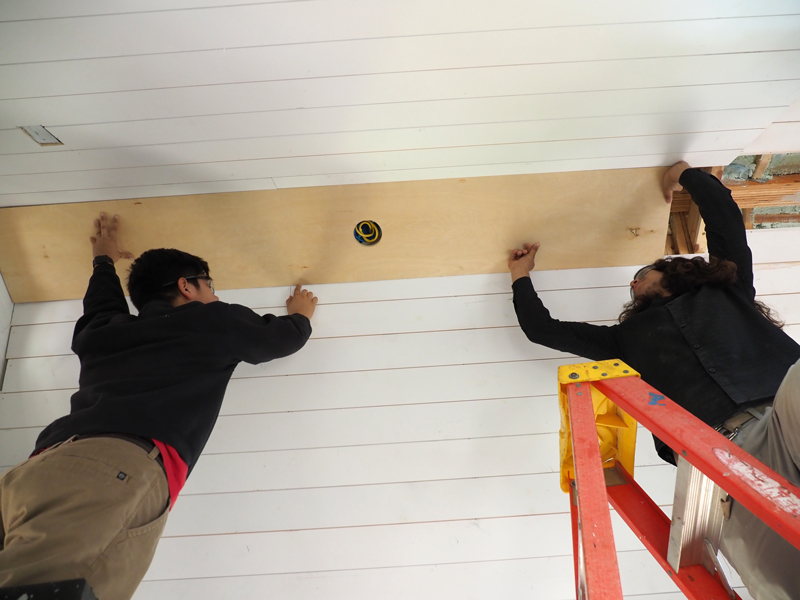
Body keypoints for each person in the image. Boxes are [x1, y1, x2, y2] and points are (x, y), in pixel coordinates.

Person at [508, 162, 800, 600]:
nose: (632, 281)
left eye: (641, 273)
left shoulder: (727, 289)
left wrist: (681, 173)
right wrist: (520, 276)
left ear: (674, 270)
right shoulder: (624, 341)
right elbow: (544, 331)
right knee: (780, 580)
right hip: (717, 458)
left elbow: (722, 215)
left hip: (780, 414)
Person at [0, 213, 318, 599]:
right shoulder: (212, 320)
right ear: (187, 287)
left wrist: (104, 260)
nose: (216, 296)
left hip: (53, 463)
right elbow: (278, 340)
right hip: (92, 471)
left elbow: (100, 304)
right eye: (211, 286)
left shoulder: (105, 331)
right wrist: (301, 316)